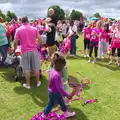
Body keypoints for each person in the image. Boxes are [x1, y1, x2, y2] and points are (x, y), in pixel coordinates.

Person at [14, 16, 42, 89]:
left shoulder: (18, 30)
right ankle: (38, 82)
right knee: (36, 67)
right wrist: (37, 46)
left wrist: (15, 49)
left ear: (22, 22)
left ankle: (28, 84)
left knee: (26, 69)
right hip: (34, 50)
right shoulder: (34, 29)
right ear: (28, 21)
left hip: (25, 51)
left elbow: (15, 42)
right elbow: (40, 39)